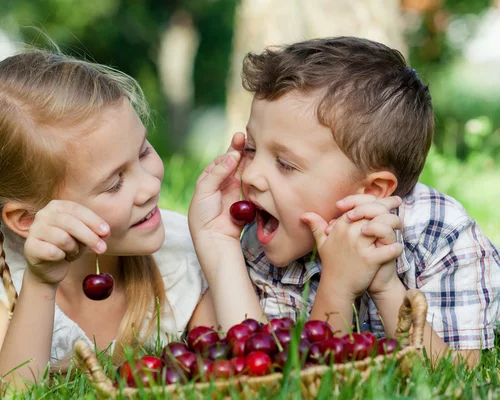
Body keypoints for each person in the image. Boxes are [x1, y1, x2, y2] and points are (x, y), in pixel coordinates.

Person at [0, 50, 216, 389]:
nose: (151, 186)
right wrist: (39, 283)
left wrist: (221, 249)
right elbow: (7, 393)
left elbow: (230, 363)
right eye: (114, 184)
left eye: (143, 151)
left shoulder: (183, 256)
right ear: (27, 219)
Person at [189, 36, 500, 368]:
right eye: (251, 149)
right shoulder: (263, 240)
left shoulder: (441, 234)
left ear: (371, 191)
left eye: (285, 164)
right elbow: (265, 368)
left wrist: (384, 286)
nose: (250, 176)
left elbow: (455, 375)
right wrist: (220, 244)